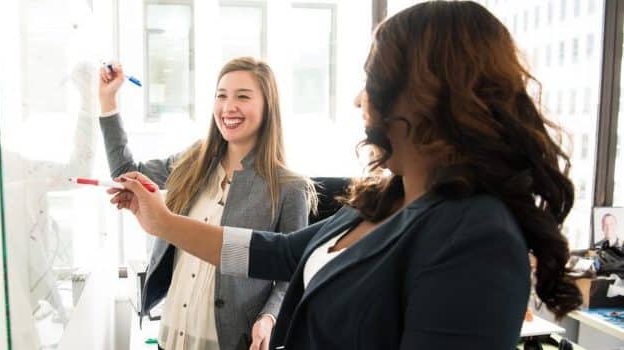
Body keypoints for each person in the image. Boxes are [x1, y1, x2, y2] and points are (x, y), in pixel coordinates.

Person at [107, 2, 583, 349]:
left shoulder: (475, 235)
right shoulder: (383, 199)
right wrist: (163, 224)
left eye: (370, 79)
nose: (359, 100)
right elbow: (281, 252)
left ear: (422, 95)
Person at [98, 57, 316, 350]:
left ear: (268, 106)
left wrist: (269, 317)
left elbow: (292, 273)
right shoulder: (193, 161)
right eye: (221, 96)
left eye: (243, 97)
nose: (228, 107)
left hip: (228, 341)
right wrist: (108, 100)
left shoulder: (289, 188)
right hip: (171, 336)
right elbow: (126, 172)